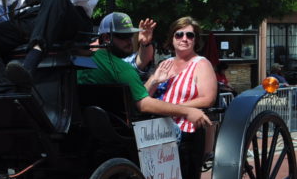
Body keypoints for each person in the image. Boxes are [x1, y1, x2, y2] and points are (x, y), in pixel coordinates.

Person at [78, 13, 211, 128]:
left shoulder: (79, 63)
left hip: (92, 128)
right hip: (130, 131)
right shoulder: (123, 69)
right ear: (106, 38)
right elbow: (143, 103)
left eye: (130, 35)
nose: (129, 41)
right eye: (122, 36)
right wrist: (187, 111)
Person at [144, 17, 218, 133]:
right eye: (179, 35)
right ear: (172, 39)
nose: (184, 39)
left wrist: (172, 109)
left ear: (195, 40)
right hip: (156, 126)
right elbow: (143, 96)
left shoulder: (201, 64)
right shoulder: (165, 63)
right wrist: (154, 81)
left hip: (183, 128)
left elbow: (208, 99)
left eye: (190, 35)